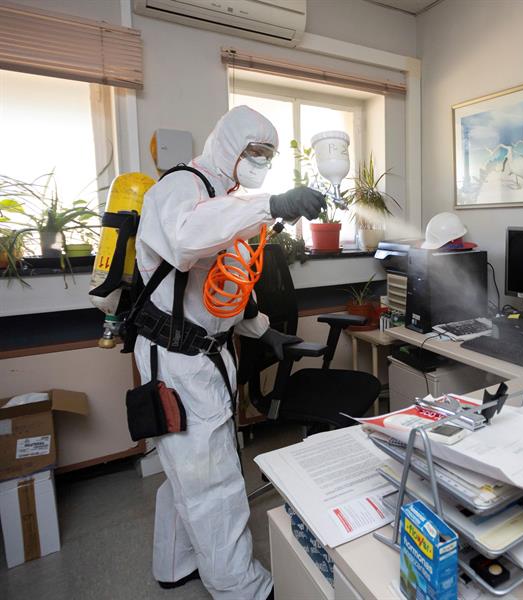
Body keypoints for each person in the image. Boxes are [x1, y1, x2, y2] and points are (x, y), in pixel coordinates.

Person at [133, 105, 326, 599]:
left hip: (206, 353)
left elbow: (226, 287)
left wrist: (262, 331)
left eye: (268, 155)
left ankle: (175, 562)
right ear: (227, 145)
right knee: (212, 479)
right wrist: (269, 203)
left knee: (188, 468)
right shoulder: (180, 187)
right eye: (254, 151)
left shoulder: (225, 198)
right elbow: (185, 240)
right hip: (178, 356)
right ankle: (241, 588)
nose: (261, 161)